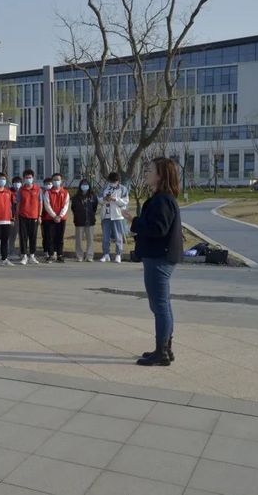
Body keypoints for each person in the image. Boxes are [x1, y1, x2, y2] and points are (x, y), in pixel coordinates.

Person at [123, 157, 183, 366]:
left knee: (160, 306)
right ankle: (165, 348)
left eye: (149, 170)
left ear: (160, 175)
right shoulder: (162, 198)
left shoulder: (162, 200)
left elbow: (158, 229)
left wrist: (135, 221)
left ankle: (162, 352)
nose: (146, 173)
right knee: (162, 304)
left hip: (159, 258)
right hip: (159, 256)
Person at [99, 172, 130, 263]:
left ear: (118, 181)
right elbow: (99, 199)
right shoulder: (105, 188)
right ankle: (106, 254)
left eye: (114, 181)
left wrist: (115, 199)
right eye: (111, 181)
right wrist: (104, 199)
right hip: (106, 215)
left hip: (117, 216)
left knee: (118, 236)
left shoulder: (123, 189)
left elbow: (125, 201)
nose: (113, 183)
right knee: (106, 237)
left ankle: (118, 254)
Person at [43, 173, 70, 263]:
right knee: (50, 237)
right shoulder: (48, 192)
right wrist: (54, 216)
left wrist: (60, 216)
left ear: (61, 181)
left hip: (61, 219)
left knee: (60, 237)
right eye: (54, 180)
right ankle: (51, 255)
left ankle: (59, 255)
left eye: (58, 179)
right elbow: (47, 205)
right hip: (50, 218)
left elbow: (66, 206)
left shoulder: (65, 192)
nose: (56, 181)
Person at [16, 169, 41, 265]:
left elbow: (40, 203)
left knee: (33, 237)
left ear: (33, 178)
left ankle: (32, 256)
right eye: (26, 177)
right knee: (23, 237)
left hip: (34, 216)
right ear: (24, 178)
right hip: (23, 216)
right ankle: (24, 256)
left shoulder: (38, 189)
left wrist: (39, 216)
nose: (28, 179)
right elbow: (18, 203)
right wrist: (17, 215)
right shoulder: (21, 190)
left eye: (30, 177)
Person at [71, 179, 98, 262]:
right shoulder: (76, 197)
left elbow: (94, 207)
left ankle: (89, 256)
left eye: (86, 184)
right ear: (80, 186)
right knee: (79, 240)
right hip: (79, 221)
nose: (84, 186)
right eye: (83, 184)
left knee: (90, 240)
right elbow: (73, 208)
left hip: (90, 221)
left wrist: (91, 214)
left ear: (89, 186)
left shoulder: (93, 196)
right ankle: (79, 256)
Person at [0, 173, 14, 267]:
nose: (2, 181)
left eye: (3, 179)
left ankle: (4, 258)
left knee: (5, 240)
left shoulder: (8, 192)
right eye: (0, 179)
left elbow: (11, 206)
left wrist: (12, 218)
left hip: (7, 220)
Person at [39, 177, 55, 261]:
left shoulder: (53, 193)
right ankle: (46, 252)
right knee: (45, 236)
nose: (48, 185)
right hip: (44, 218)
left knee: (53, 235)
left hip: (53, 217)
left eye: (50, 184)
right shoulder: (42, 192)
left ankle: (53, 252)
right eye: (46, 184)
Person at [8, 176, 22, 259]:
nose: (17, 184)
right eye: (15, 182)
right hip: (13, 217)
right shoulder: (9, 192)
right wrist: (11, 217)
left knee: (22, 236)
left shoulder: (23, 192)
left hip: (22, 217)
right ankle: (11, 251)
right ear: (12, 184)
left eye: (19, 182)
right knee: (12, 236)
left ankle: (22, 252)